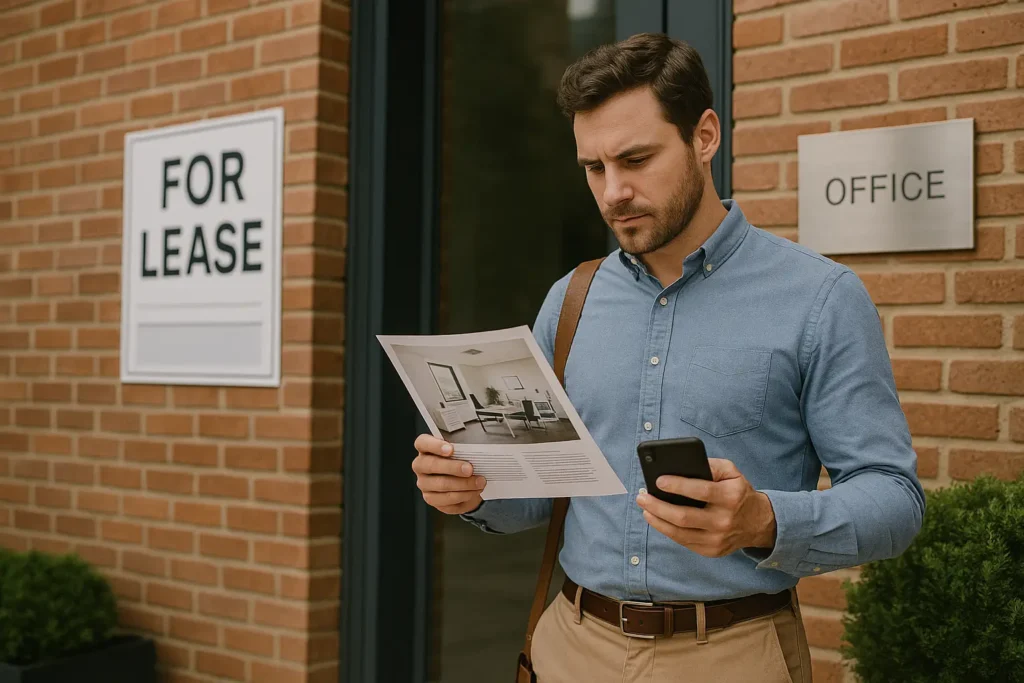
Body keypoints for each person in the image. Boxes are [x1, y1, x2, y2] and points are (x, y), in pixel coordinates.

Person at [411, 32, 925, 683]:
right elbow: (535, 497)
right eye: (594, 168)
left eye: (635, 159)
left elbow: (897, 499)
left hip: (736, 654)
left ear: (704, 135)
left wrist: (765, 519)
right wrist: (472, 490)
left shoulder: (821, 298)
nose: (613, 191)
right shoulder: (570, 299)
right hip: (571, 645)